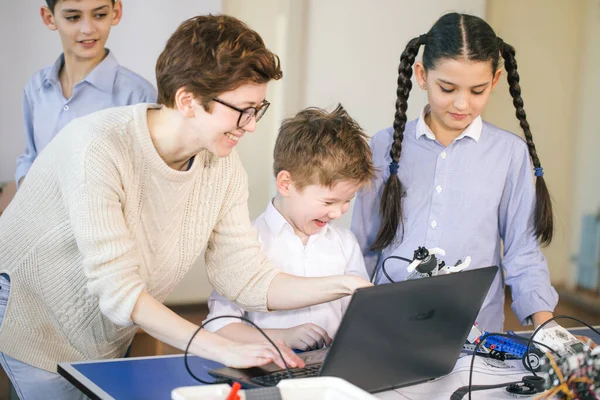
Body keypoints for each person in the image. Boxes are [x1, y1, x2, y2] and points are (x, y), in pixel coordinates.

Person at [0, 15, 371, 399]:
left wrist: (343, 286)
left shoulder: (223, 167)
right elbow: (121, 292)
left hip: (108, 327)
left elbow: (246, 277)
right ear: (187, 100)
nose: (252, 124)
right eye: (243, 109)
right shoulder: (98, 148)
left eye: (258, 109)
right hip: (35, 320)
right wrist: (222, 346)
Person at [351, 12, 558, 334]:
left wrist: (548, 328)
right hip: (387, 325)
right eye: (447, 88)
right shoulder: (382, 145)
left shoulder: (509, 154)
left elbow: (523, 253)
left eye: (477, 91)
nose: (462, 104)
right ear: (421, 75)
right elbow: (363, 247)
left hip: (474, 331)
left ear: (496, 80)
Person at [205, 105, 374, 351]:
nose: (338, 213)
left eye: (347, 201)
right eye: (328, 202)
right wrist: (283, 336)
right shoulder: (248, 244)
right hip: (269, 370)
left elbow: (361, 321)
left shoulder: (345, 243)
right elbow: (218, 326)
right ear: (286, 184)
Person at [15, 0, 157, 188]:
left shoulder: (139, 96)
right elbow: (30, 156)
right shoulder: (36, 87)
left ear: (116, 13)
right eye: (73, 17)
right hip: (39, 214)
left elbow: (145, 181)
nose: (88, 29)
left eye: (99, 15)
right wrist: (29, 190)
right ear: (49, 18)